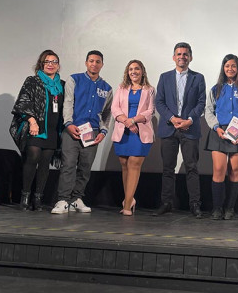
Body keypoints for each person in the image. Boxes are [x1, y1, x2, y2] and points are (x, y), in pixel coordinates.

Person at [51, 50, 113, 214]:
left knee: (85, 168)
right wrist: (69, 124)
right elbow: (68, 102)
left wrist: (104, 131)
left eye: (97, 61)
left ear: (102, 64)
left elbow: (107, 113)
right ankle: (63, 200)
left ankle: (76, 199)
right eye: (91, 61)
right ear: (86, 63)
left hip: (92, 132)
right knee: (68, 166)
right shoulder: (74, 79)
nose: (94, 64)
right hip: (72, 130)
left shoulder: (107, 88)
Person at [153, 42, 206, 218]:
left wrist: (189, 120)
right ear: (173, 57)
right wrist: (172, 118)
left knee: (192, 167)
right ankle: (167, 203)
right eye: (179, 54)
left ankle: (195, 204)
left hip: (189, 128)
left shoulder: (198, 78)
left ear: (190, 57)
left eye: (185, 54)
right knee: (168, 168)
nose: (182, 57)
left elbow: (201, 103)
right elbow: (159, 102)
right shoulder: (164, 77)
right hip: (169, 127)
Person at [10, 50, 64, 211]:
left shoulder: (62, 85)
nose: (51, 64)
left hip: (54, 130)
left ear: (58, 65)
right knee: (32, 157)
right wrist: (32, 121)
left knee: (46, 162)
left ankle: (38, 198)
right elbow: (23, 102)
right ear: (41, 64)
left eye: (54, 61)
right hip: (36, 127)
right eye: (47, 61)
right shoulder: (33, 81)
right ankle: (25, 196)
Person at [204, 54, 238, 220]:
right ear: (223, 68)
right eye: (227, 66)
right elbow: (209, 111)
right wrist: (216, 127)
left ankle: (230, 208)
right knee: (219, 169)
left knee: (235, 170)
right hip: (219, 132)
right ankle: (217, 208)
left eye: (233, 66)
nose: (230, 69)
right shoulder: (216, 89)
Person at [111, 60, 155, 216]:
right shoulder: (121, 88)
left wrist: (134, 120)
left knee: (134, 164)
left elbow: (150, 111)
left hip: (140, 132)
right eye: (130, 69)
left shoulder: (149, 90)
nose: (133, 71)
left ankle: (127, 205)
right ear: (127, 72)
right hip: (123, 131)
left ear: (142, 71)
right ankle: (129, 198)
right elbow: (114, 108)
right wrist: (127, 122)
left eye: (137, 69)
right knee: (124, 165)